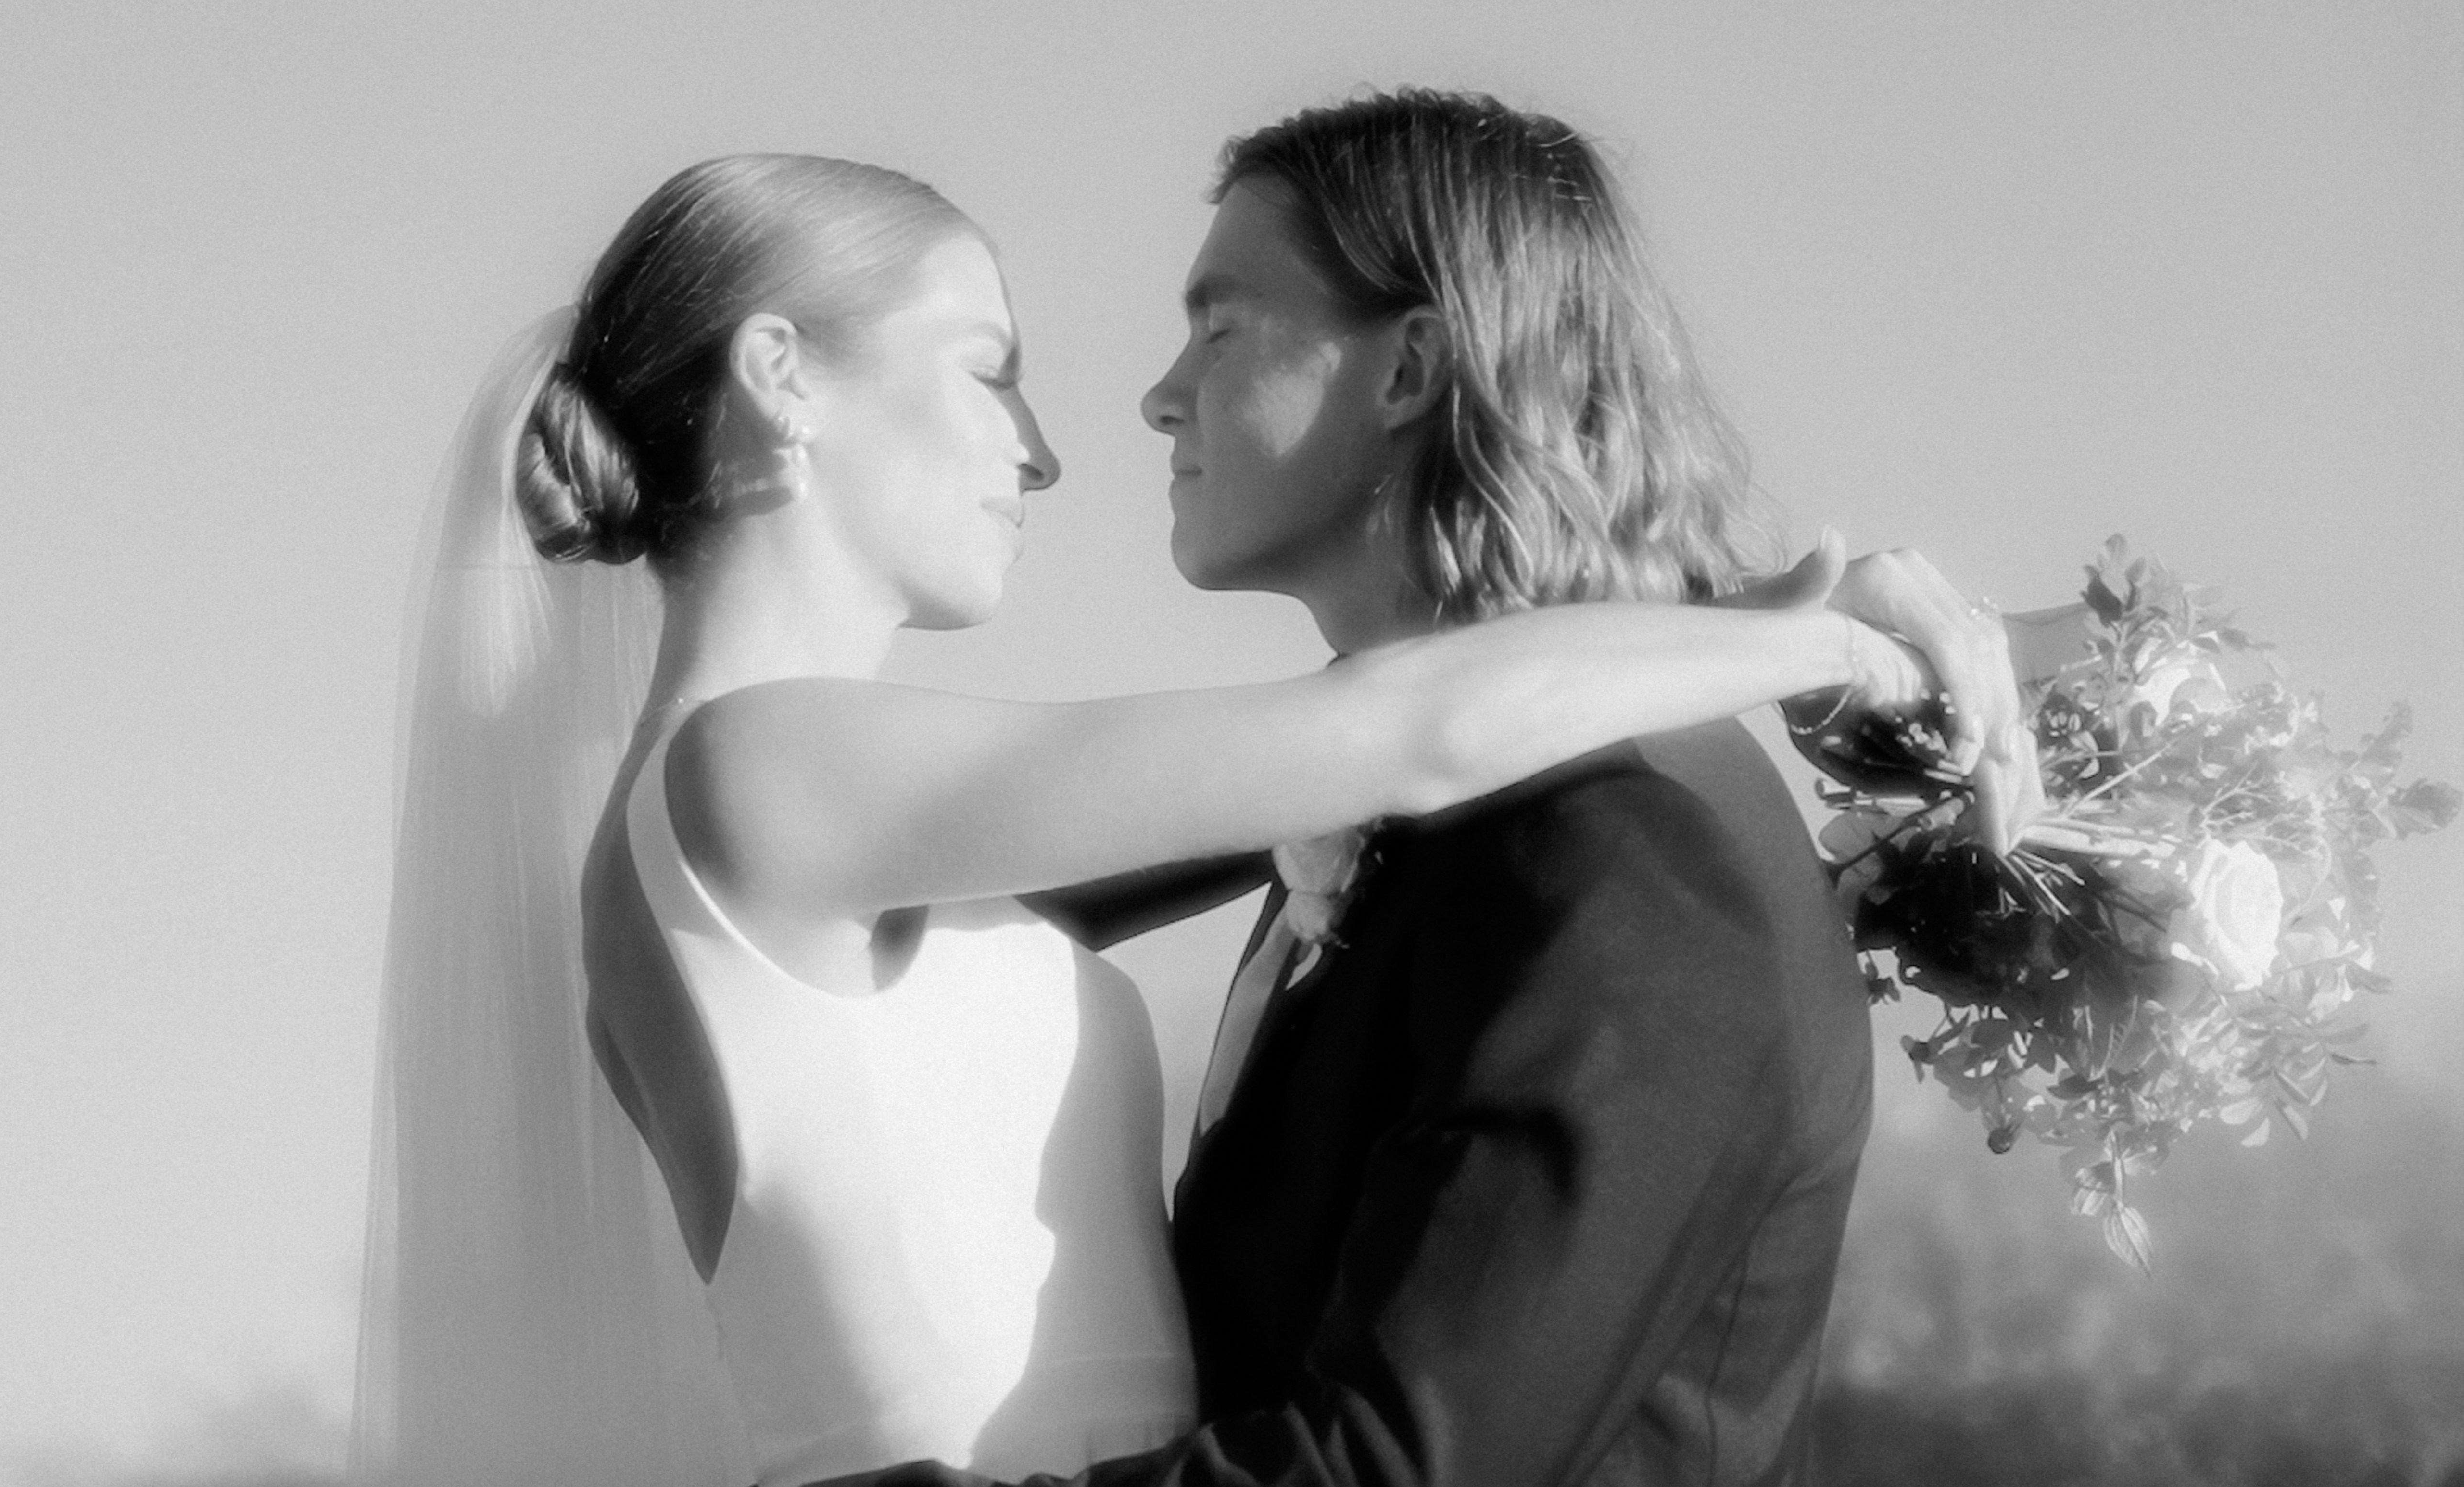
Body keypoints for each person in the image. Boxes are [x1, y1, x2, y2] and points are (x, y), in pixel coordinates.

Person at [352, 150, 2031, 1487]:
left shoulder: (852, 824)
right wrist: (1821, 635)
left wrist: (1733, 605)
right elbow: (1405, 733)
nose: (1047, 446)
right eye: (988, 368)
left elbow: (1374, 753)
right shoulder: (760, 777)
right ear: (785, 375)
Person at [835, 89, 2012, 1487]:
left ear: (1407, 371)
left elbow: (1386, 1467)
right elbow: (924, 880)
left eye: (1219, 326)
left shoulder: (1632, 861)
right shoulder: (1419, 805)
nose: (1160, 394)